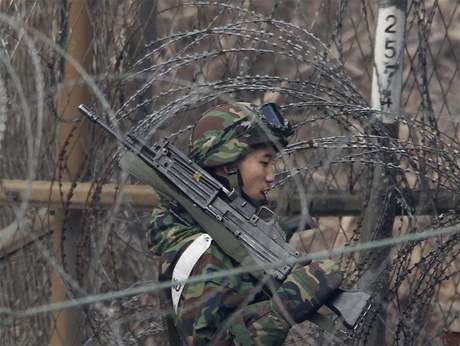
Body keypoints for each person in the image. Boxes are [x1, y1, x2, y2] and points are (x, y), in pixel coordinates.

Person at [147, 102, 343, 345]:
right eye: (264, 162)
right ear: (226, 163)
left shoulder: (224, 241)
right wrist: (284, 307)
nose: (272, 175)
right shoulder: (207, 253)